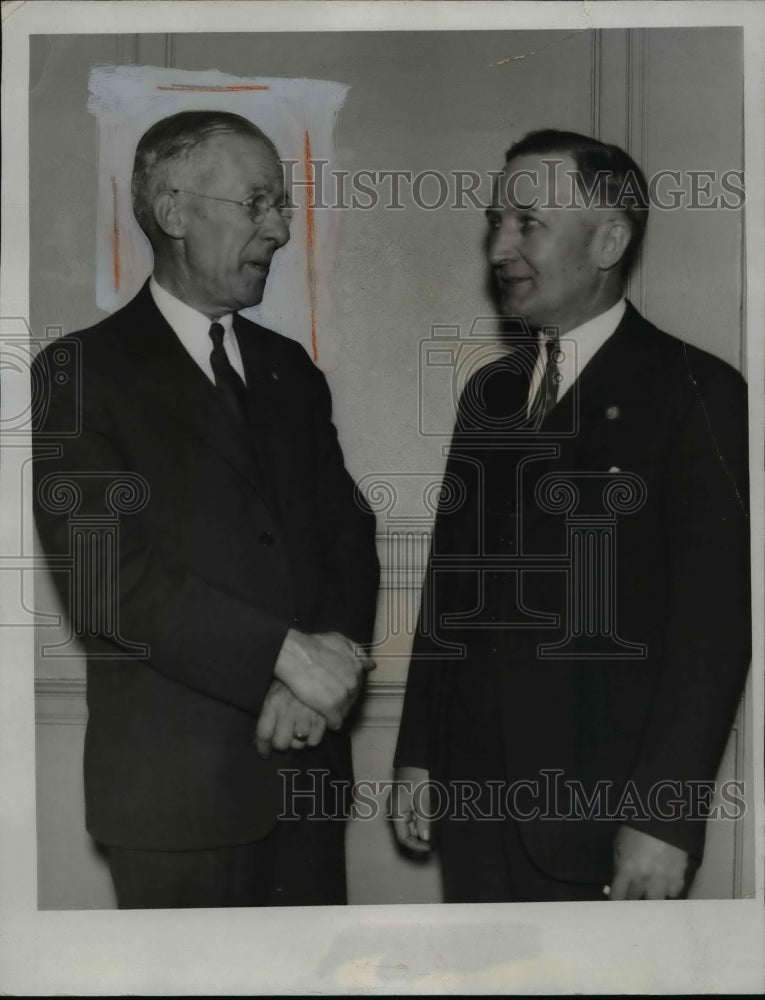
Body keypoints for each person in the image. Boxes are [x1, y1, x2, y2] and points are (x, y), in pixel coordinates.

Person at [392, 129, 750, 902]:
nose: (498, 247)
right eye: (495, 222)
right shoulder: (487, 395)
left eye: (527, 223)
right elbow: (449, 588)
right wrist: (419, 752)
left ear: (608, 239)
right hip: (473, 804)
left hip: (602, 822)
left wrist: (663, 819)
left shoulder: (699, 395)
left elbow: (713, 632)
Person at [32, 110, 379, 908]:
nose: (282, 231)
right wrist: (284, 654)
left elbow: (348, 537)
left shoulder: (292, 371)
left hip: (308, 787)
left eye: (283, 206)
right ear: (175, 210)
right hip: (173, 807)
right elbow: (105, 584)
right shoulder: (78, 372)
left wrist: (315, 680)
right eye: (258, 204)